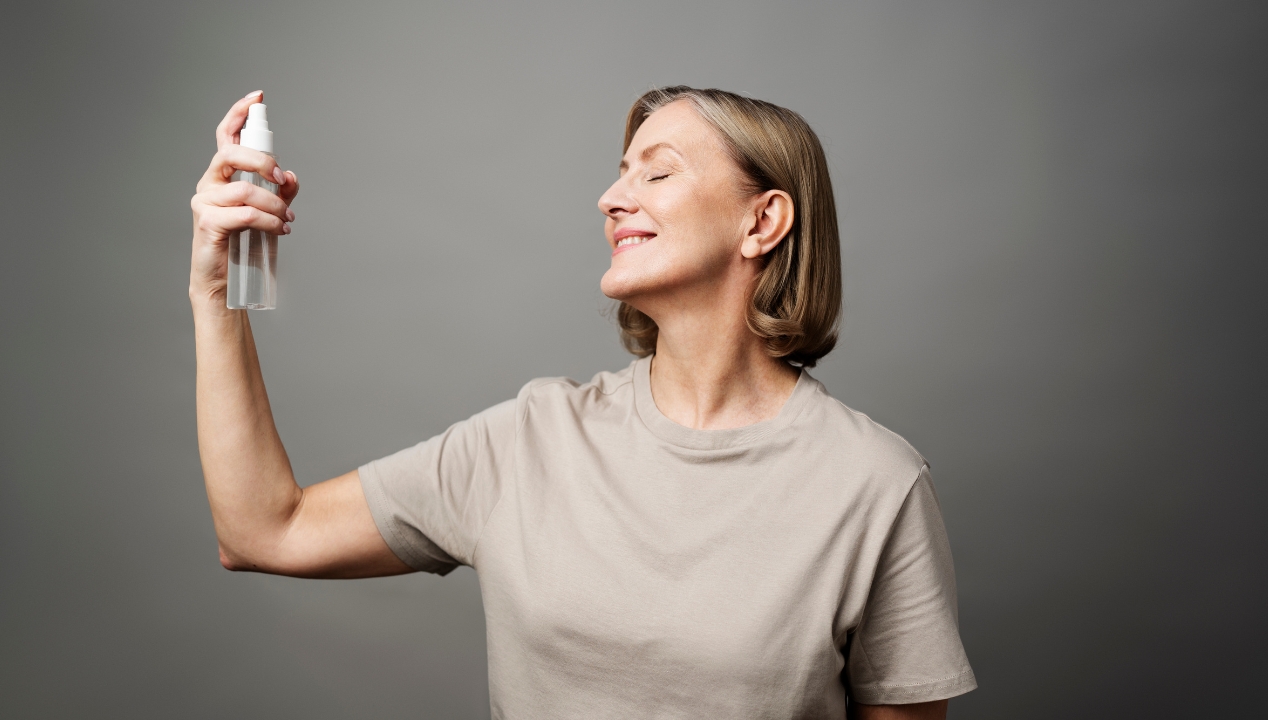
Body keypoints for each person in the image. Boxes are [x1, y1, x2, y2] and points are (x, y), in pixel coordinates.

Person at [189, 86, 976, 719]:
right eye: (619, 172)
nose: (610, 198)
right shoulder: (530, 441)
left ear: (762, 221)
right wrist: (217, 294)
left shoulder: (874, 485)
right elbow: (266, 530)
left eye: (656, 173)